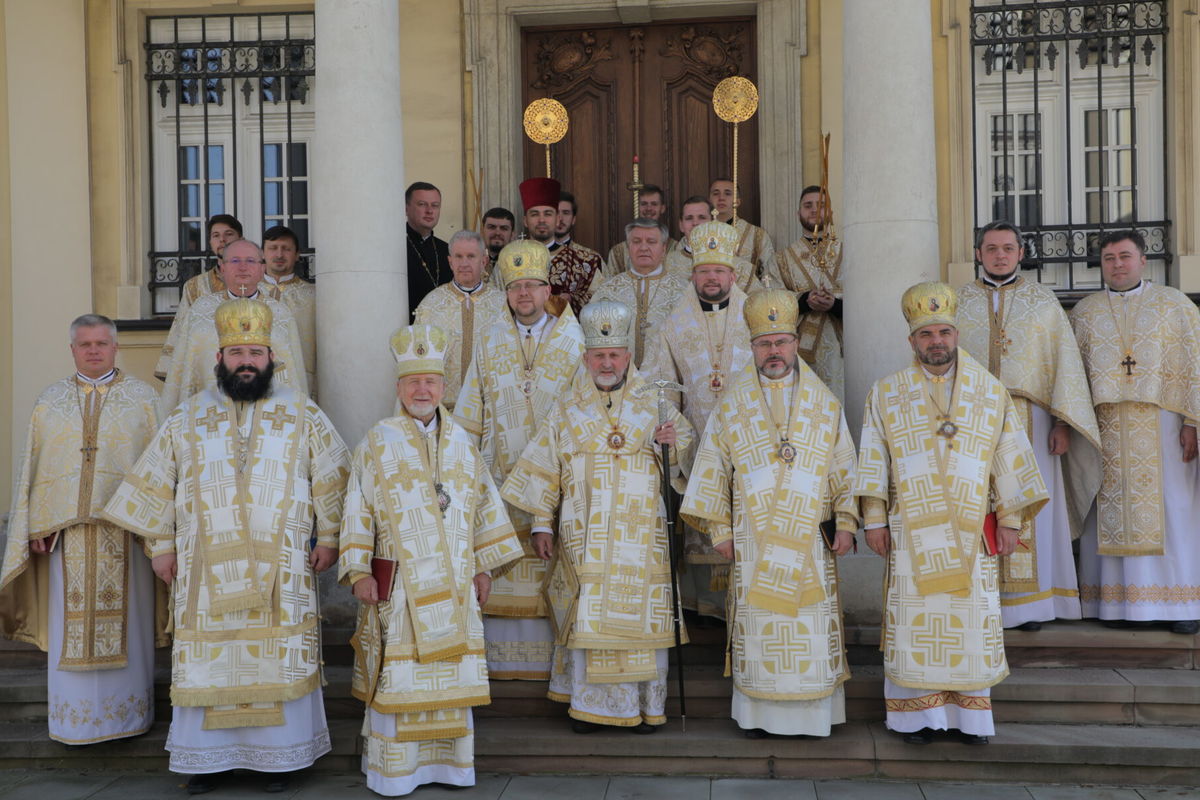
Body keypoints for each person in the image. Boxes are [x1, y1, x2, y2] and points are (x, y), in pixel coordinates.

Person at [102, 295, 350, 793]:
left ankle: (280, 760)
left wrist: (330, 537)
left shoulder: (303, 413)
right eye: (236, 354)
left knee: (276, 659)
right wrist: (161, 547)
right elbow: (155, 486)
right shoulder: (188, 416)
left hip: (282, 567)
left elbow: (333, 479)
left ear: (270, 360)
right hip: (203, 569)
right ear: (219, 360)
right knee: (210, 665)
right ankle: (208, 762)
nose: (245, 363)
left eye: (254, 354)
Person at [855, 281, 1048, 746]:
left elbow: (1010, 457)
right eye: (926, 335)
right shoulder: (886, 393)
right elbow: (873, 459)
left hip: (969, 529)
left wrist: (1009, 521)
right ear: (911, 341)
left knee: (968, 624)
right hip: (910, 532)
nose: (935, 341)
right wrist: (876, 520)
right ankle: (916, 718)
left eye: (943, 332)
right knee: (917, 623)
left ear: (957, 334)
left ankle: (968, 720)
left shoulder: (989, 391)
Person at [339, 324, 522, 796]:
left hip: (457, 586)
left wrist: (484, 567)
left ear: (444, 387)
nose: (423, 390)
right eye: (413, 382)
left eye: (431, 382)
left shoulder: (464, 443)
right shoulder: (376, 442)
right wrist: (358, 569)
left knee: (448, 679)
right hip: (397, 588)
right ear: (399, 388)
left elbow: (484, 508)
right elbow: (356, 506)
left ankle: (450, 768)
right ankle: (395, 772)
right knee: (399, 678)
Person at [502, 300, 693, 733]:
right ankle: (589, 707)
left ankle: (645, 706)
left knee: (640, 615)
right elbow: (543, 468)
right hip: (583, 534)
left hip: (641, 538)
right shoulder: (567, 409)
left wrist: (673, 443)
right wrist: (540, 523)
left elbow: (686, 450)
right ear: (586, 359)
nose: (607, 363)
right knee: (586, 612)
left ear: (628, 357)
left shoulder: (655, 405)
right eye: (599, 356)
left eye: (615, 355)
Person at [680, 289, 858, 739]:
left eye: (781, 341)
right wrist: (719, 529)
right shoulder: (733, 404)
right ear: (752, 347)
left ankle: (815, 713)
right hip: (753, 539)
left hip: (810, 539)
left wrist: (848, 521)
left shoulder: (824, 403)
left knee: (809, 625)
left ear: (795, 343)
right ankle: (758, 713)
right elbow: (713, 468)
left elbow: (845, 465)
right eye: (764, 344)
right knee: (762, 627)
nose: (773, 351)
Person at [0, 314, 163, 745]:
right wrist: (37, 523)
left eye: (101, 343)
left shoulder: (143, 399)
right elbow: (35, 471)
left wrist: (155, 530)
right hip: (64, 538)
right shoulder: (49, 401)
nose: (93, 350)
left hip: (126, 533)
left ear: (115, 347)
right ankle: (73, 722)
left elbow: (158, 470)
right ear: (72, 349)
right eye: (85, 344)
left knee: (131, 622)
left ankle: (129, 717)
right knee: (67, 623)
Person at [957, 221, 1101, 631]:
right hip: (972, 418)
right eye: (991, 248)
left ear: (1021, 254)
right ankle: (983, 597)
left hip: (1031, 419)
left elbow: (1066, 368)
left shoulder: (1043, 301)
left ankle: (1030, 606)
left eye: (1007, 248)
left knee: (1028, 502)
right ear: (979, 254)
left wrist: (1062, 423)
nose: (999, 255)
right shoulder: (959, 301)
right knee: (977, 500)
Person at [456, 240, 585, 681]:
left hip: (559, 478)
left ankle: (556, 668)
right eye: (515, 288)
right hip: (498, 471)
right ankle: (506, 666)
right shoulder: (490, 339)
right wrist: (460, 464)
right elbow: (472, 407)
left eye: (532, 286)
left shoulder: (576, 338)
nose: (524, 295)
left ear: (547, 288)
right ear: (506, 293)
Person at [1070, 229, 1200, 635]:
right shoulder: (1085, 312)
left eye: (1125, 256)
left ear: (1143, 260)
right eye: (1109, 258)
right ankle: (1115, 604)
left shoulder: (1175, 306)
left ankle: (1181, 605)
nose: (1117, 265)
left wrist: (1193, 422)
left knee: (1174, 508)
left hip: (1165, 425)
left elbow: (1195, 365)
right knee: (1107, 506)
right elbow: (1072, 379)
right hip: (1104, 429)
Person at [642, 220, 754, 620]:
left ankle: (747, 617)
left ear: (733, 274)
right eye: (704, 271)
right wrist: (673, 431)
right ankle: (707, 618)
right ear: (693, 275)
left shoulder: (757, 318)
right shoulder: (674, 323)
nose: (711, 278)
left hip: (749, 448)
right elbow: (659, 386)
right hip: (698, 445)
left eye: (719, 271)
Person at [158, 238, 308, 415]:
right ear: (222, 268)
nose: (242, 267)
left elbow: (293, 372)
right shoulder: (199, 311)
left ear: (262, 268)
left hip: (268, 415)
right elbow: (184, 370)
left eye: (250, 261)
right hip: (208, 415)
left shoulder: (281, 314)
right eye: (235, 260)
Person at [412, 230, 507, 410]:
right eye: (458, 256)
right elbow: (419, 360)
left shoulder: (502, 305)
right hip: (444, 409)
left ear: (484, 261)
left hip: (489, 407)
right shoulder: (431, 305)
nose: (464, 263)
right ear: (450, 261)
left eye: (471, 256)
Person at [588, 218, 691, 365]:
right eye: (636, 241)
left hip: (667, 378)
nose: (643, 247)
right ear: (628, 247)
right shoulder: (608, 291)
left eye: (651, 242)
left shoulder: (683, 290)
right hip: (620, 379)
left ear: (663, 248)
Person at [775, 186, 845, 399]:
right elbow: (771, 301)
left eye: (821, 205)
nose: (814, 210)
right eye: (808, 206)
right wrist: (804, 301)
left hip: (843, 353)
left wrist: (835, 305)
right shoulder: (782, 259)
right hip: (797, 353)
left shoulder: (850, 252)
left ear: (831, 213)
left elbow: (867, 300)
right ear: (798, 214)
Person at [155, 214, 243, 382]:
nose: (222, 240)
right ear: (210, 243)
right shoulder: (194, 286)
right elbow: (182, 330)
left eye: (229, 234)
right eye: (216, 236)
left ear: (241, 239)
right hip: (206, 372)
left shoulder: (258, 283)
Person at [506, 179, 602, 315]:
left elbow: (602, 303)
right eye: (534, 214)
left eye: (548, 214)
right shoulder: (508, 260)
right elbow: (496, 303)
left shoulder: (586, 261)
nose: (541, 220)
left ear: (557, 219)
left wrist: (572, 300)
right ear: (525, 221)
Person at [262, 224, 317, 397]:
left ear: (297, 254)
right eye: (273, 248)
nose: (279, 254)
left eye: (286, 249)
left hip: (301, 380)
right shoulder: (247, 294)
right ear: (262, 253)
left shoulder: (314, 296)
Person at [665, 196, 760, 294]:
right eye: (689, 218)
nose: (695, 223)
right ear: (681, 225)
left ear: (713, 221)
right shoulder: (666, 264)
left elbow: (756, 305)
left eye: (702, 217)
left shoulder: (741, 268)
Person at [707, 179, 781, 286]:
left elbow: (769, 274)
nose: (721, 198)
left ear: (737, 201)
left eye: (727, 193)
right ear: (709, 200)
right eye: (716, 193)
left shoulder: (757, 236)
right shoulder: (699, 234)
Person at [603, 185, 678, 277]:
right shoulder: (618, 252)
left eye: (654, 204)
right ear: (637, 207)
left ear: (662, 208)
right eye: (644, 204)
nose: (649, 208)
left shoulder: (676, 249)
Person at [406, 181, 451, 310]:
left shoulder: (447, 250)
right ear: (406, 208)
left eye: (435, 205)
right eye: (422, 204)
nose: (429, 211)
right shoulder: (393, 246)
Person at [481, 206, 516, 275]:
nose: (497, 233)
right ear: (482, 231)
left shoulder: (519, 265)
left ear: (512, 234)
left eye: (504, 228)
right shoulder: (472, 262)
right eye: (491, 227)